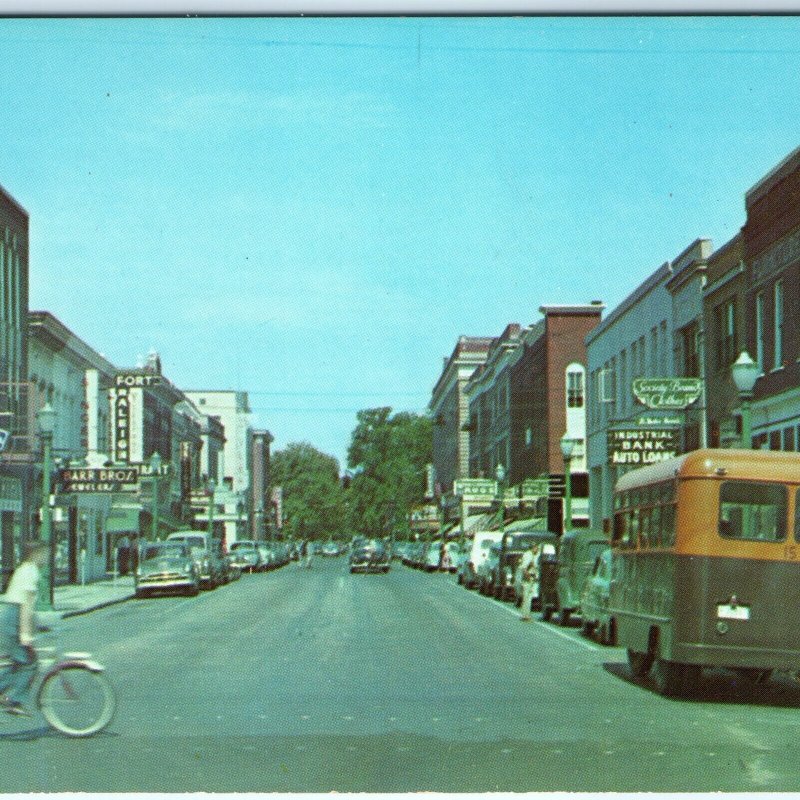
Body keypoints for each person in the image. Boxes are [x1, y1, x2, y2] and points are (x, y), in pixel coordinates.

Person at [0, 541, 48, 717]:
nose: (46, 557)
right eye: (44, 553)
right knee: (29, 663)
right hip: (14, 619)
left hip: (12, 617)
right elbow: (25, 606)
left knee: (19, 662)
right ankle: (16, 700)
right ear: (35, 554)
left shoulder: (26, 569)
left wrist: (39, 625)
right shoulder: (31, 572)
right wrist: (25, 634)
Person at [517, 542, 541, 622]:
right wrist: (529, 577)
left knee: (528, 597)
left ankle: (526, 614)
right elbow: (524, 568)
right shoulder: (528, 555)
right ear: (532, 548)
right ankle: (525, 615)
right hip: (528, 578)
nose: (537, 549)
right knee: (527, 597)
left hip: (531, 577)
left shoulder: (532, 555)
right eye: (536, 548)